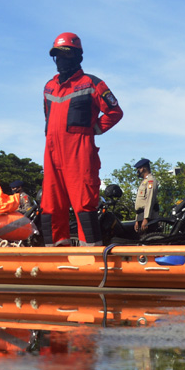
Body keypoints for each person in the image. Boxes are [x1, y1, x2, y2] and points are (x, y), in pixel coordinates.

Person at [41, 33, 123, 246]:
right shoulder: (48, 87)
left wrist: (94, 129)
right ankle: (55, 252)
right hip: (51, 152)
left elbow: (115, 112)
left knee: (83, 204)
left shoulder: (92, 83)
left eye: (65, 55)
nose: (60, 60)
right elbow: (47, 118)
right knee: (50, 205)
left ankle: (91, 256)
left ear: (77, 56)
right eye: (56, 55)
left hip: (79, 152)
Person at [133, 158, 159, 233]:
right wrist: (137, 220)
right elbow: (140, 203)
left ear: (143, 168)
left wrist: (146, 218)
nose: (137, 171)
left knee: (147, 240)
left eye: (138, 169)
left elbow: (149, 200)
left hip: (149, 216)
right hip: (141, 215)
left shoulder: (151, 181)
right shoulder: (144, 182)